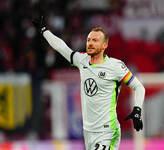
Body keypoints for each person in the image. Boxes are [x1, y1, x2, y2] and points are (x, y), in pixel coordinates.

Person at [32, 16, 145, 150]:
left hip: (107, 131)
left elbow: (138, 87)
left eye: (95, 40)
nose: (90, 43)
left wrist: (137, 110)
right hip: (88, 131)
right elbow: (61, 47)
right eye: (88, 40)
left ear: (105, 45)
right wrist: (44, 31)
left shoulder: (115, 66)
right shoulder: (82, 60)